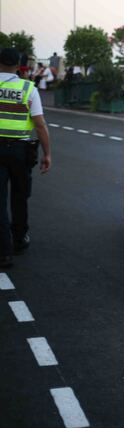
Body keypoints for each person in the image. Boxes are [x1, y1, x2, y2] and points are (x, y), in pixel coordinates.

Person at [0, 48, 52, 268]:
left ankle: (4, 252)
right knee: (20, 196)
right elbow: (39, 125)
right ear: (19, 65)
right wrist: (47, 154)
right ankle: (19, 240)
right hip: (21, 151)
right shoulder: (27, 88)